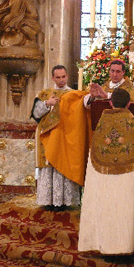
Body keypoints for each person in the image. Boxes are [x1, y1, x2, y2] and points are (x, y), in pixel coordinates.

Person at [78, 88, 134, 255]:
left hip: (105, 178)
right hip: (128, 181)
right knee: (126, 208)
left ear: (110, 103)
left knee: (107, 207)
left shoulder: (101, 124)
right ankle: (128, 244)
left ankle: (102, 243)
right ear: (129, 103)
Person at [31, 65, 91, 209]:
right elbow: (35, 113)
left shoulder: (74, 94)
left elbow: (83, 110)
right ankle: (48, 201)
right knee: (50, 167)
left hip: (66, 135)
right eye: (58, 77)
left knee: (65, 164)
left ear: (67, 76)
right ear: (53, 78)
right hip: (49, 136)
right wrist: (47, 104)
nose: (61, 80)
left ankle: (66, 201)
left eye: (63, 76)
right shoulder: (45, 93)